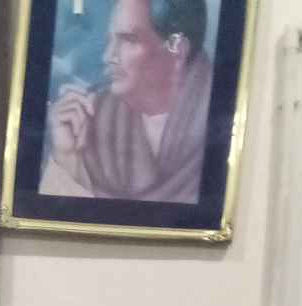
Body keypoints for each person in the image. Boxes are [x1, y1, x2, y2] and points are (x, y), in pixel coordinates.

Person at [40, 0, 212, 204]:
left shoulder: (215, 119)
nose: (108, 56)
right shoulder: (88, 118)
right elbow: (55, 214)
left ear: (177, 49)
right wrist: (67, 158)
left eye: (128, 40)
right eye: (111, 40)